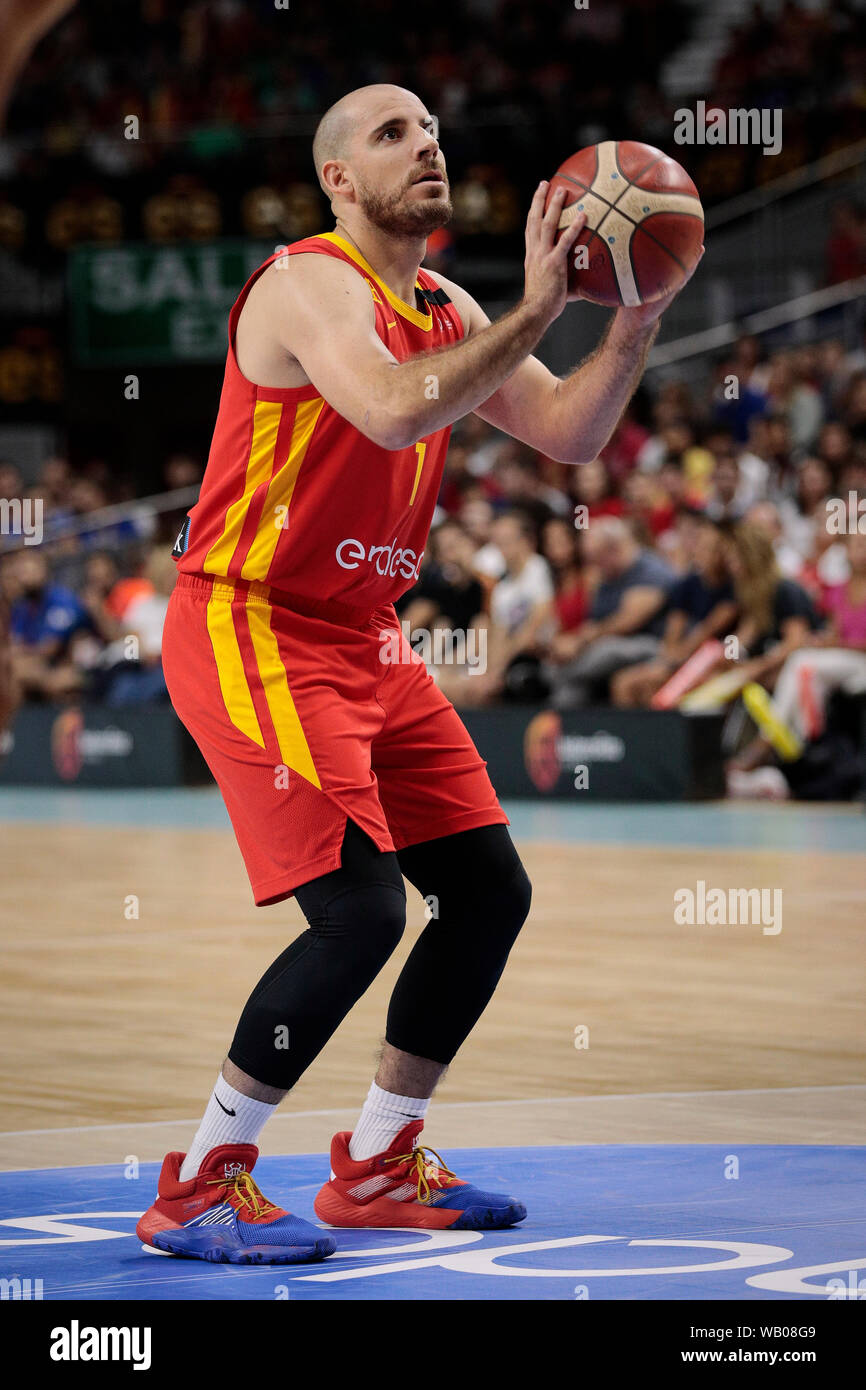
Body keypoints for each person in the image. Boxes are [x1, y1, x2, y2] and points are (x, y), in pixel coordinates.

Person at [138, 83, 698, 1264]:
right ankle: (198, 1182)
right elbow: (393, 414)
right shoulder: (306, 284)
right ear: (338, 178)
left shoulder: (443, 302)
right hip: (254, 620)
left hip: (363, 632)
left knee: (487, 893)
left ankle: (382, 1158)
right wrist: (543, 303)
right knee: (358, 913)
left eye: (435, 129)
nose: (427, 145)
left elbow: (571, 435)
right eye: (393, 133)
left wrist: (634, 315)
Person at [545, 516, 674, 709]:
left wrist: (581, 642)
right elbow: (594, 620)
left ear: (613, 549)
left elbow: (627, 623)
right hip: (608, 642)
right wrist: (570, 642)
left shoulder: (651, 571)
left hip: (653, 646)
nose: (593, 566)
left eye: (596, 558)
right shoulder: (606, 577)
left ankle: (557, 672)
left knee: (605, 653)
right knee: (571, 690)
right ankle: (569, 730)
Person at [611, 518, 736, 707]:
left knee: (656, 685)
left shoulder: (732, 589)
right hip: (683, 657)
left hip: (716, 659)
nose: (700, 551)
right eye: (699, 545)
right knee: (625, 682)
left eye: (709, 548)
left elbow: (706, 632)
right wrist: (667, 659)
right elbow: (673, 631)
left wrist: (672, 665)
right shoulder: (688, 584)